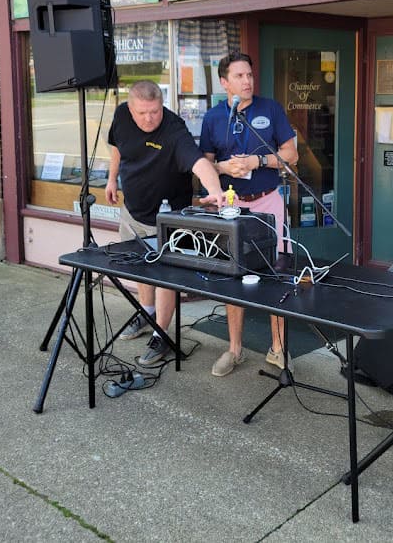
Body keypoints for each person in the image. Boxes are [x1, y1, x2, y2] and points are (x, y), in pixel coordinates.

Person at [105, 80, 225, 366]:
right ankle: (145, 312)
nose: (150, 118)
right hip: (133, 211)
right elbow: (117, 149)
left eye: (155, 111)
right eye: (143, 113)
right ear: (131, 109)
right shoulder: (121, 115)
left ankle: (162, 334)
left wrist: (216, 191)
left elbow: (200, 164)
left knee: (165, 277)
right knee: (141, 268)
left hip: (169, 218)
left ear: (162, 105)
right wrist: (111, 179)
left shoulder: (174, 129)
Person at [199, 52, 298, 377]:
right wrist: (222, 166)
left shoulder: (270, 109)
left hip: (268, 201)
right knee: (234, 275)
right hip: (231, 206)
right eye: (239, 76)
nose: (247, 81)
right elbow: (203, 164)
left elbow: (291, 154)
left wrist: (259, 162)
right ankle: (235, 349)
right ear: (224, 82)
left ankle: (278, 348)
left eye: (250, 75)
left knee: (278, 271)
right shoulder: (213, 118)